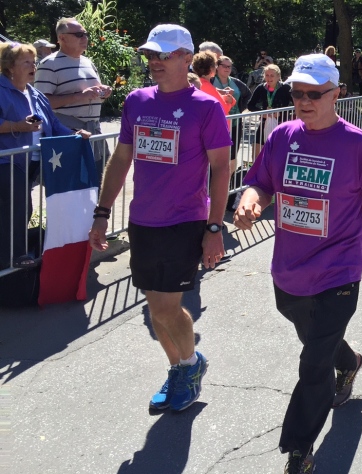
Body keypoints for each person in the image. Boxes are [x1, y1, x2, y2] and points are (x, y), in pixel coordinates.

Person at [233, 53, 362, 474]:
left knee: (312, 363)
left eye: (315, 94)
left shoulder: (359, 146)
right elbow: (260, 184)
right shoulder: (282, 137)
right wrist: (249, 202)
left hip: (339, 270)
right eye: (298, 92)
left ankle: (299, 450)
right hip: (290, 273)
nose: (304, 100)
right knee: (316, 337)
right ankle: (350, 361)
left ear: (337, 93)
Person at [88, 24, 232, 412]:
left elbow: (221, 168)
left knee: (168, 307)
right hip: (142, 221)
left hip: (184, 221)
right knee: (154, 308)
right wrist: (102, 214)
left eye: (163, 55)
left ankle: (188, 364)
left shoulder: (206, 106)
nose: (154, 62)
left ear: (187, 58)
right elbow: (121, 159)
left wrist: (215, 227)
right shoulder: (137, 100)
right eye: (150, 55)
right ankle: (180, 367)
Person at [0, 42, 89, 270]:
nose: (34, 66)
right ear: (10, 67)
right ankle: (13, 257)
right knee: (18, 207)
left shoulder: (35, 94)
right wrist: (18, 126)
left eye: (34, 61)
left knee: (23, 207)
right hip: (7, 161)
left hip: (34, 160)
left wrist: (75, 134)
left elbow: (54, 124)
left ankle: (16, 253)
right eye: (27, 62)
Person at [34, 17, 112, 180]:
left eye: (85, 34)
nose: (85, 38)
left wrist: (102, 93)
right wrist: (79, 96)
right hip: (68, 134)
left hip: (93, 132)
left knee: (97, 186)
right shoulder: (49, 64)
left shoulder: (87, 62)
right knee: (71, 190)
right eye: (79, 34)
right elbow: (40, 103)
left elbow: (90, 95)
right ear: (62, 38)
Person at [212, 55, 251, 192]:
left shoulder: (236, 83)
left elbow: (248, 95)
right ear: (217, 66)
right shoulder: (210, 82)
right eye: (225, 66)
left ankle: (228, 186)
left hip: (234, 123)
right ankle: (213, 185)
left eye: (230, 66)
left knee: (233, 154)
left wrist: (239, 109)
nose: (228, 69)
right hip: (215, 124)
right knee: (214, 155)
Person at [247, 63, 292, 160]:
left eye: (272, 75)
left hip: (281, 124)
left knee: (278, 153)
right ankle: (257, 172)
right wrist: (262, 112)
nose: (269, 78)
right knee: (257, 153)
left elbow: (295, 105)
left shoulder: (286, 88)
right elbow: (250, 105)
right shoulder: (261, 88)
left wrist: (281, 113)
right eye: (267, 75)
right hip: (265, 122)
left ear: (278, 76)